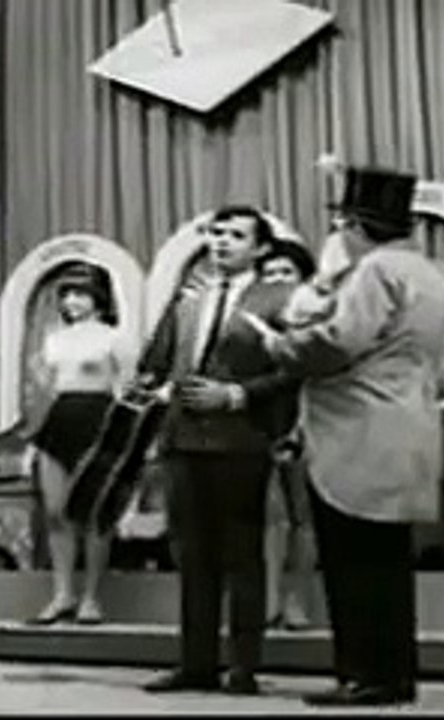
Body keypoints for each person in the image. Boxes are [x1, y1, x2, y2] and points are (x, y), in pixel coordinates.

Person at [253, 167, 444, 707]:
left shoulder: (374, 271)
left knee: (353, 561)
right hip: (408, 421)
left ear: (354, 225)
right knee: (389, 564)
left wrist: (278, 346)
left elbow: (339, 343)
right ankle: (395, 675)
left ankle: (363, 674)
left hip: (357, 430)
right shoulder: (430, 272)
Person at [138, 205, 297, 696]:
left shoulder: (279, 298)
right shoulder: (189, 296)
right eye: (216, 233)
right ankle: (196, 664)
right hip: (183, 438)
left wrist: (238, 395)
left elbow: (294, 369)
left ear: (260, 248)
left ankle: (244, 667)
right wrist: (153, 388)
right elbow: (155, 360)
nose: (221, 242)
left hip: (241, 438)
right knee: (192, 556)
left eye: (235, 235)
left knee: (242, 556)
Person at [26, 262, 135, 625]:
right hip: (60, 420)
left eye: (80, 294)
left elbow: (129, 387)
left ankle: (91, 598)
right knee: (56, 512)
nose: (71, 301)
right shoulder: (54, 339)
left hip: (99, 421)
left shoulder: (114, 337)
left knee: (93, 514)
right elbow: (50, 386)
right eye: (67, 294)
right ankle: (62, 594)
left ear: (99, 298)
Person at [254, 241, 318, 630]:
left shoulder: (318, 322)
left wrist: (300, 428)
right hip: (260, 421)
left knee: (302, 516)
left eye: (286, 273)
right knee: (268, 515)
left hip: (309, 420)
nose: (277, 280)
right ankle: (270, 598)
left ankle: (298, 599)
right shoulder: (250, 323)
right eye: (269, 274)